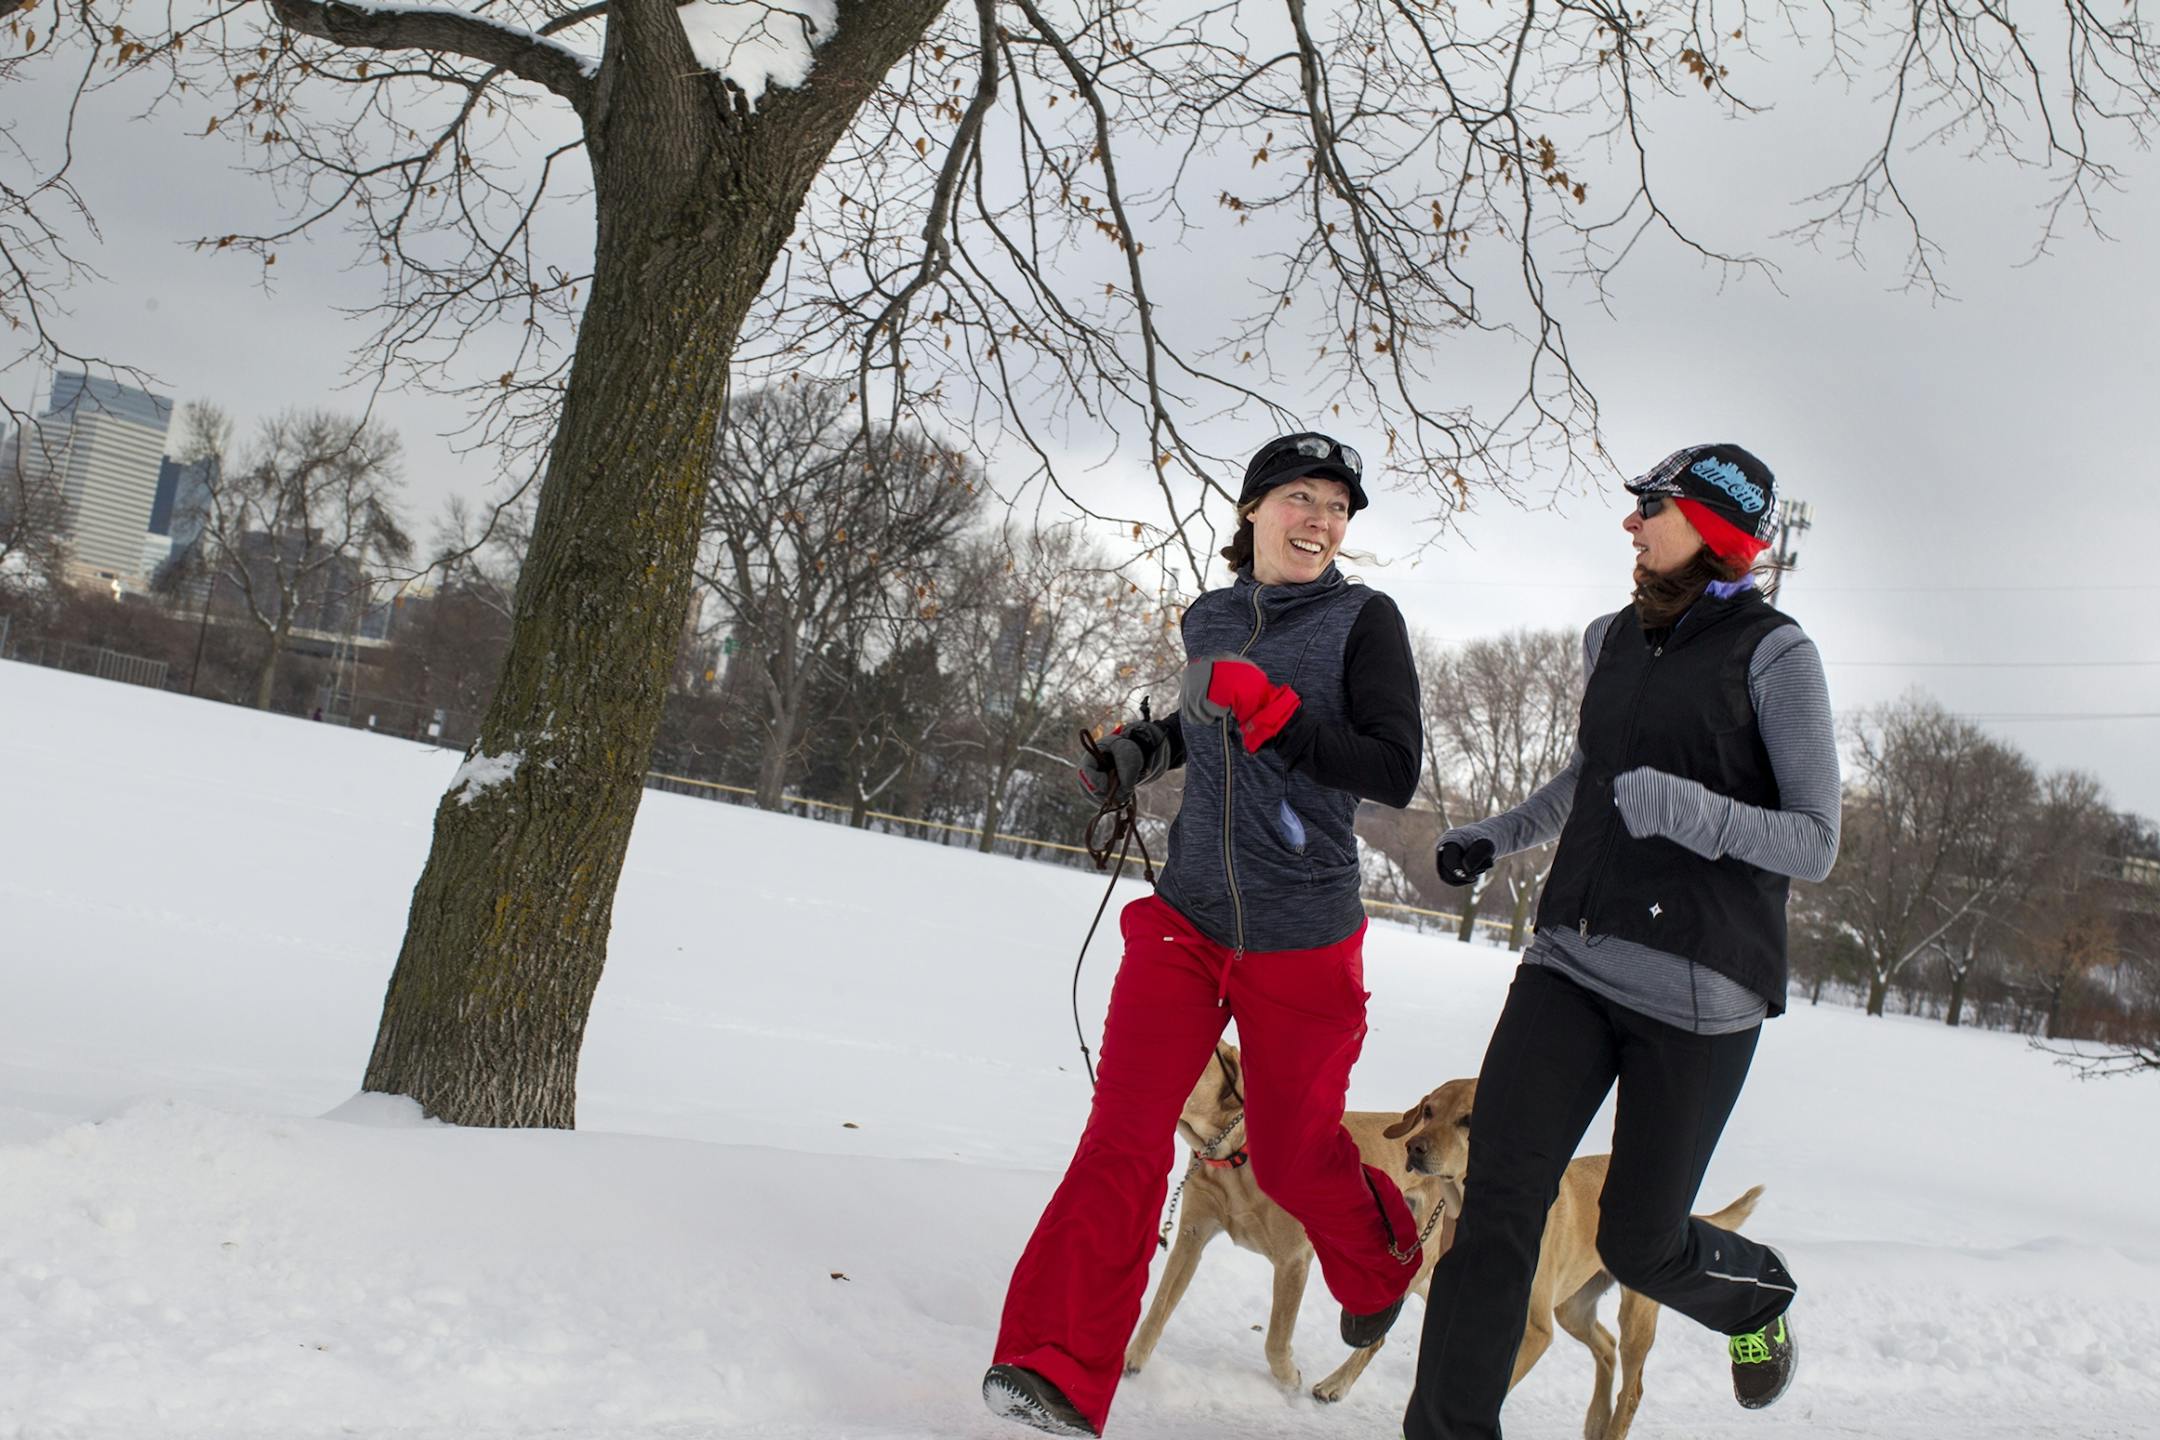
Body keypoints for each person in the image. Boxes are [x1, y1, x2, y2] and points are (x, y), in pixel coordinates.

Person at [982, 432, 1427, 1437]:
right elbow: (1200, 719)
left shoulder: (1366, 621)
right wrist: (1142, 749)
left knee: (1292, 1149)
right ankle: (1054, 1368)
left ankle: (1379, 1261)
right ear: (1254, 509)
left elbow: (1391, 766)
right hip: (1185, 917)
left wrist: (1278, 717)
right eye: (1301, 498)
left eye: (1338, 508)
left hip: (1301, 934)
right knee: (1124, 1136)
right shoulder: (1214, 615)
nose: (1320, 521)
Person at [1402, 442, 1840, 1440]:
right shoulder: (1608, 638)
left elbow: (1814, 842)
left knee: (1639, 1246)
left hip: (1700, 993)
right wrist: (1495, 837)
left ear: (1714, 529)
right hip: (1570, 962)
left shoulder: (1777, 655)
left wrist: (1692, 810)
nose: (1632, 523)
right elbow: (1585, 780)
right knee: (1497, 1209)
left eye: (1655, 506)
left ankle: (1757, 1297)